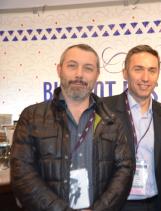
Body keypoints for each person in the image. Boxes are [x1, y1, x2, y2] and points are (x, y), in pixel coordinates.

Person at [10, 44, 134, 211]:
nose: (79, 74)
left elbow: (124, 170)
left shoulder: (111, 120)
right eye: (72, 66)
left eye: (88, 68)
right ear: (59, 69)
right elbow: (22, 175)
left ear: (97, 75)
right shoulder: (31, 117)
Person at [103, 44, 161, 211]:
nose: (145, 78)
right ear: (125, 73)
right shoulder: (104, 109)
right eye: (138, 69)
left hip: (157, 204)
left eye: (152, 70)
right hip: (116, 206)